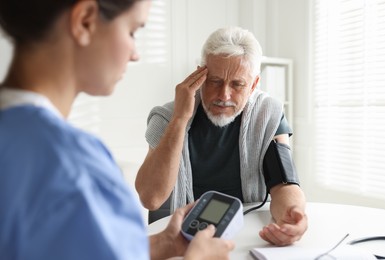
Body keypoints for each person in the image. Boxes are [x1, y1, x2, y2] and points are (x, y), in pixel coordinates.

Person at [0, 0, 234, 259]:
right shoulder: (73, 165)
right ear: (85, 21)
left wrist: (165, 243)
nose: (135, 54)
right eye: (132, 31)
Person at [135, 26, 308, 246]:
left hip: (244, 235)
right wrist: (180, 119)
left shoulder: (268, 114)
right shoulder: (167, 117)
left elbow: (284, 183)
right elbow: (151, 198)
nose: (224, 95)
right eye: (215, 81)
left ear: (254, 84)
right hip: (183, 238)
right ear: (199, 75)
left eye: (237, 84)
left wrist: (294, 215)